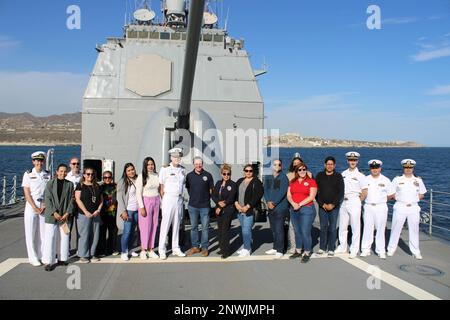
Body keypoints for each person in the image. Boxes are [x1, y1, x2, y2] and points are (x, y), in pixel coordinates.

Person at [387, 159, 427, 259]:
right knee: (396, 228)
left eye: (410, 167)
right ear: (403, 168)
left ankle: (416, 251)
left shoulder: (418, 180)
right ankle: (391, 249)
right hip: (400, 206)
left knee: (414, 230)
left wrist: (413, 199)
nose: (408, 169)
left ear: (413, 168)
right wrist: (399, 198)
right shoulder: (397, 179)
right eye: (406, 167)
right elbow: (391, 193)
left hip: (413, 207)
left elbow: (422, 194)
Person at [42, 164, 74, 271]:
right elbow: (47, 199)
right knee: (50, 238)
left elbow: (71, 200)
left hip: (64, 215)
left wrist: (67, 213)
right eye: (61, 171)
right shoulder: (50, 184)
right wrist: (54, 212)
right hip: (52, 215)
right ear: (56, 172)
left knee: (64, 237)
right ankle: (48, 261)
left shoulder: (70, 185)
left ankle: (62, 258)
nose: (63, 173)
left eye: (65, 171)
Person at [336, 152, 368, 258]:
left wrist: (358, 201)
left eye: (354, 160)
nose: (352, 162)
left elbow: (364, 191)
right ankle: (342, 246)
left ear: (357, 161)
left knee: (355, 226)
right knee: (343, 225)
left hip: (354, 201)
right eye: (350, 160)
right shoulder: (343, 174)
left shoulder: (361, 176)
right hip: (343, 201)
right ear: (347, 161)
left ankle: (354, 249)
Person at [360, 160, 395, 259]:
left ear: (380, 168)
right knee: (367, 228)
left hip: (381, 207)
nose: (374, 170)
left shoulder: (386, 180)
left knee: (380, 229)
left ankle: (380, 250)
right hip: (368, 206)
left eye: (376, 167)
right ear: (370, 168)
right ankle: (365, 249)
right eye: (372, 168)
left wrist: (382, 200)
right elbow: (362, 193)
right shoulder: (365, 179)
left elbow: (390, 195)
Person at [22, 151, 50, 267]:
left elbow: (49, 191)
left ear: (43, 161)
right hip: (31, 206)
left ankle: (43, 255)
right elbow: (27, 193)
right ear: (33, 161)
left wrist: (44, 205)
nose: (39, 162)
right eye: (37, 160)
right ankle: (33, 257)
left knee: (43, 233)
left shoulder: (47, 174)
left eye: (41, 160)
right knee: (31, 233)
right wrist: (34, 207)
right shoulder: (28, 174)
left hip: (43, 205)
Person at [158, 148, 187, 260]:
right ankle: (162, 249)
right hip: (168, 198)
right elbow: (161, 187)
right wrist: (163, 201)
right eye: (175, 157)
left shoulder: (183, 170)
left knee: (176, 224)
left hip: (179, 199)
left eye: (179, 157)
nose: (177, 159)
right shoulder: (165, 169)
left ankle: (175, 247)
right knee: (165, 224)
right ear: (171, 157)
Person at [287, 163, 317, 263]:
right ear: (296, 171)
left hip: (307, 209)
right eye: (299, 170)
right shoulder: (292, 181)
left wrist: (299, 204)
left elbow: (311, 197)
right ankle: (298, 251)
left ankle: (307, 252)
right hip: (294, 209)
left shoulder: (311, 181)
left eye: (304, 169)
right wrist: (293, 203)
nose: (302, 171)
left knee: (305, 232)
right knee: (297, 231)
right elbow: (289, 195)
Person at [315, 156, 344, 257]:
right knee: (323, 227)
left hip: (334, 207)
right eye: (328, 164)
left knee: (332, 227)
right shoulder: (319, 175)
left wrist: (333, 204)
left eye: (331, 164)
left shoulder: (338, 176)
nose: (330, 166)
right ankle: (322, 247)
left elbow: (341, 193)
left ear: (334, 165)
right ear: (325, 165)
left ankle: (331, 248)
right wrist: (322, 204)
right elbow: (315, 192)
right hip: (322, 206)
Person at [185, 157, 214, 257]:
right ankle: (195, 247)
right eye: (196, 164)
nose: (198, 165)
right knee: (194, 227)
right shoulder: (189, 176)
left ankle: (205, 247)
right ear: (193, 164)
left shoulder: (208, 175)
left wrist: (205, 199)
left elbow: (211, 190)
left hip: (205, 206)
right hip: (193, 206)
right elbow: (188, 189)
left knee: (205, 227)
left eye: (200, 164)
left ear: (202, 164)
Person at [235, 164, 264, 258]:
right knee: (244, 229)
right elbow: (235, 193)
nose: (248, 172)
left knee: (246, 230)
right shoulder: (240, 181)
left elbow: (258, 195)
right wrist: (236, 204)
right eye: (246, 171)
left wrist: (247, 206)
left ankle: (247, 249)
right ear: (244, 171)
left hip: (249, 210)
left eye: (250, 171)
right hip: (239, 209)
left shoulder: (257, 182)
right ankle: (245, 246)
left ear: (253, 172)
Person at [75, 167, 103, 263]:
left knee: (95, 234)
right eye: (88, 174)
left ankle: (92, 253)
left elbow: (101, 200)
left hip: (95, 214)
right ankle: (83, 255)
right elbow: (78, 199)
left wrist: (98, 210)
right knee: (84, 234)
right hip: (83, 214)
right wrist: (86, 211)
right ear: (84, 175)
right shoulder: (80, 185)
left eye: (91, 174)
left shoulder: (97, 186)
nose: (90, 176)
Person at [263, 159, 289, 259]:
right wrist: (268, 201)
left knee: (279, 229)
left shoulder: (283, 177)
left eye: (279, 165)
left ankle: (280, 250)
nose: (277, 166)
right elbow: (265, 190)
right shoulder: (269, 177)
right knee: (273, 229)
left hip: (280, 208)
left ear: (281, 166)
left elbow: (282, 192)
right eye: (275, 164)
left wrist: (273, 202)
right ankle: (275, 247)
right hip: (270, 208)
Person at [136, 157, 161, 260]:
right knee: (145, 226)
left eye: (152, 164)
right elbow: (138, 193)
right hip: (146, 201)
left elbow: (159, 189)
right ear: (145, 166)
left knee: (154, 225)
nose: (151, 166)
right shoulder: (141, 177)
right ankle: (143, 250)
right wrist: (141, 207)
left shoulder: (157, 175)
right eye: (148, 165)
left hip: (156, 201)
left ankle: (151, 249)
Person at [212, 164, 237, 259]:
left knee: (225, 230)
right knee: (220, 230)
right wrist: (218, 203)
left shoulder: (233, 184)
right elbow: (213, 195)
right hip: (219, 209)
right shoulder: (218, 183)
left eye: (228, 174)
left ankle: (226, 251)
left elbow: (231, 198)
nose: (226, 176)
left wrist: (222, 205)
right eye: (224, 174)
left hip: (228, 210)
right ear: (221, 174)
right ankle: (222, 248)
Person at [117, 163, 140, 261]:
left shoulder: (138, 179)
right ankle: (124, 251)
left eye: (132, 169)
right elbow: (119, 197)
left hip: (137, 210)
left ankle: (130, 249)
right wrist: (123, 211)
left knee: (133, 232)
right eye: (129, 170)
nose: (131, 172)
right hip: (128, 210)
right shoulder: (122, 182)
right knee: (126, 232)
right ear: (125, 172)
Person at [97, 171, 119, 257]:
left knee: (113, 232)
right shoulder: (100, 187)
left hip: (113, 213)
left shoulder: (115, 186)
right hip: (102, 213)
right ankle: (101, 250)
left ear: (111, 178)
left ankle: (112, 249)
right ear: (103, 178)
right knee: (102, 233)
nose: (107, 179)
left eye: (109, 177)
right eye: (105, 177)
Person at [66, 157, 82, 252]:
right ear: (70, 165)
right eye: (73, 163)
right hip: (70, 205)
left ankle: (80, 249)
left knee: (80, 229)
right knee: (68, 228)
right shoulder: (67, 177)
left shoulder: (82, 177)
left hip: (80, 205)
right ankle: (66, 249)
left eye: (77, 164)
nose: (76, 165)